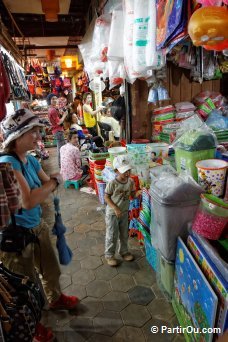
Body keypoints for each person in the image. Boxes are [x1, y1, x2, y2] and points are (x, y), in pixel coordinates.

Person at [0, 109, 79, 341]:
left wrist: (50, 184)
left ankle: (54, 299)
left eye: (37, 130)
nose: (38, 135)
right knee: (25, 287)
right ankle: (33, 327)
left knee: (50, 270)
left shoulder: (31, 159)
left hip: (36, 226)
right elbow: (30, 199)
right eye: (32, 131)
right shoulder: (7, 163)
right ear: (17, 137)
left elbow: (47, 186)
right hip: (15, 237)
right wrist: (52, 182)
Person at [104, 155, 136, 266]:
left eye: (129, 170)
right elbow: (106, 197)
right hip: (113, 213)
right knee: (112, 234)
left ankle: (124, 251)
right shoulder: (112, 183)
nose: (127, 173)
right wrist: (115, 208)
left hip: (124, 212)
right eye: (124, 171)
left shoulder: (131, 181)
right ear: (116, 171)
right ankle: (109, 255)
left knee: (124, 234)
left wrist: (138, 192)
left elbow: (132, 195)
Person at [48, 95, 67, 167]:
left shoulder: (52, 109)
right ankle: (62, 164)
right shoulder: (53, 110)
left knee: (60, 148)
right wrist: (64, 115)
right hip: (58, 131)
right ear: (49, 100)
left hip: (56, 131)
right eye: (53, 99)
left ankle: (61, 164)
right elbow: (59, 122)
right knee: (61, 149)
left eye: (56, 98)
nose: (55, 100)